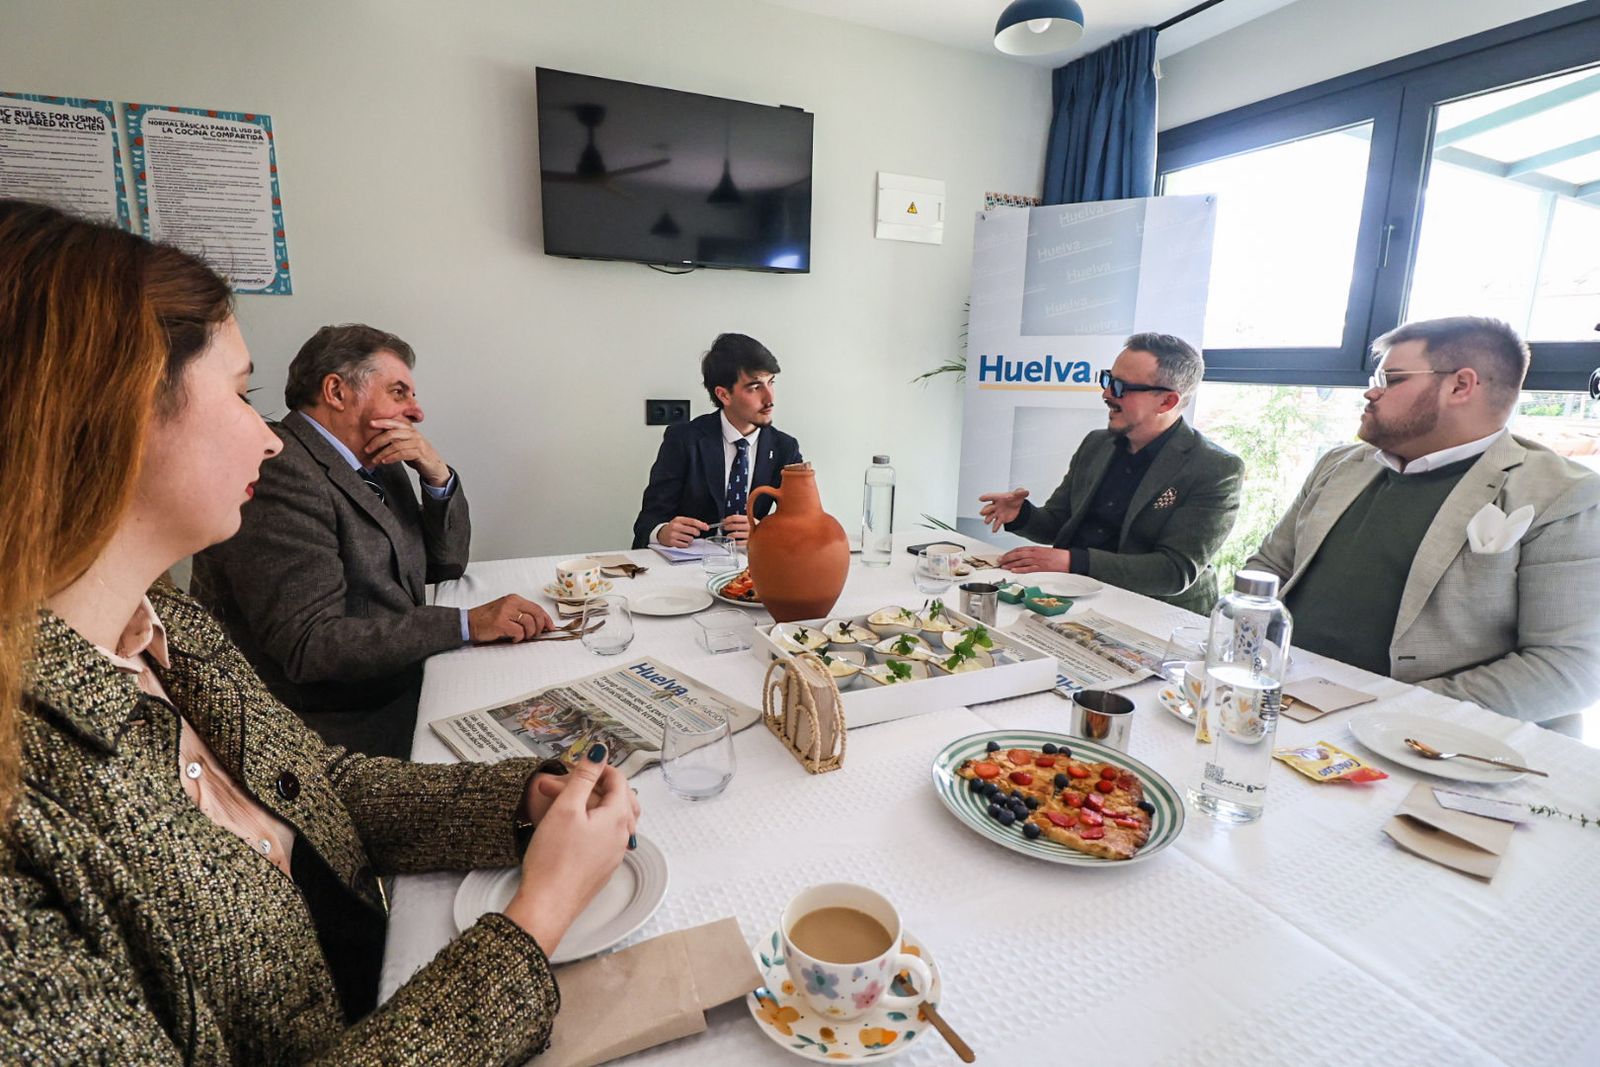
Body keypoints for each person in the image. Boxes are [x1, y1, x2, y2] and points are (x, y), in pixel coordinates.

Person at [0, 199, 638, 1062]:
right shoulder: (26, 823)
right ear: (114, 416)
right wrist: (536, 918)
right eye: (241, 394)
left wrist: (517, 799)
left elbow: (313, 782)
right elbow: (319, 643)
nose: (266, 439)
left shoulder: (166, 627)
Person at [191, 323, 553, 758]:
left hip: (401, 677)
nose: (416, 412)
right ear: (336, 391)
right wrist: (465, 624)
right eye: (399, 392)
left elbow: (446, 564)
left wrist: (436, 475)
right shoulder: (281, 470)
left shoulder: (380, 459)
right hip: (340, 720)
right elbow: (310, 644)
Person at [1247, 316, 1600, 734]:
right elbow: (1268, 567)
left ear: (1460, 386)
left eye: (1392, 379)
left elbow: (1568, 668)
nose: (1371, 392)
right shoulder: (1339, 465)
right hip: (1282, 697)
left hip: (1424, 737)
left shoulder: (1560, 493)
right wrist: (1241, 653)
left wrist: (1389, 709)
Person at [978, 333, 1245, 614]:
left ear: (1166, 402)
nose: (1106, 394)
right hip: (1070, 597)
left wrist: (1073, 562)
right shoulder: (1097, 443)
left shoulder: (1215, 468)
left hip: (1156, 615)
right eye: (1108, 379)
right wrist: (1021, 515)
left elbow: (1174, 571)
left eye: (1121, 387)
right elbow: (1059, 522)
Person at [631, 332, 802, 549]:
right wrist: (662, 532)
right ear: (724, 395)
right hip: (689, 561)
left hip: (753, 563)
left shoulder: (785, 448)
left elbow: (804, 522)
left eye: (771, 383)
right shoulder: (684, 440)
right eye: (755, 387)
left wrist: (765, 530)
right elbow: (647, 522)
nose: (770, 398)